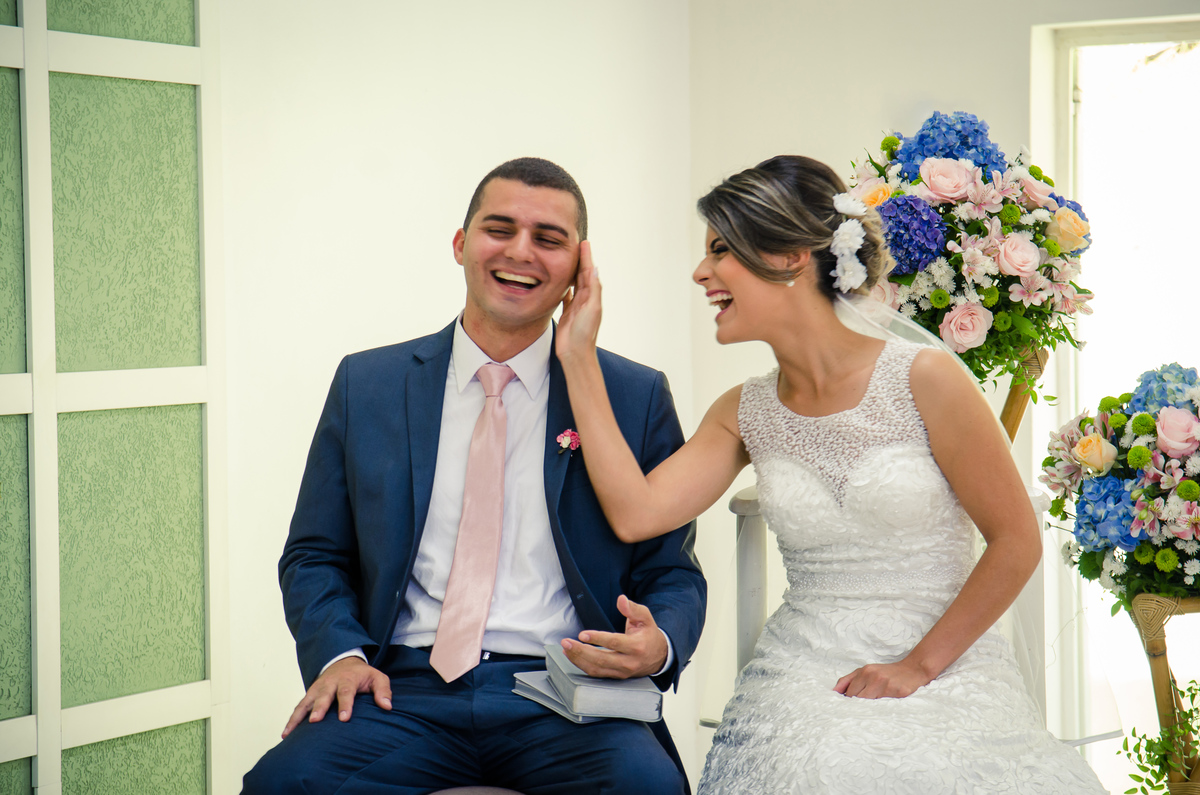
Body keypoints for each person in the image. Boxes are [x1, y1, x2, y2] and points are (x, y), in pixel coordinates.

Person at [554, 155, 1106, 793]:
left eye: (722, 250)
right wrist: (578, 357)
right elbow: (638, 512)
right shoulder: (744, 411)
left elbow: (1016, 540)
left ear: (790, 255)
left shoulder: (925, 378)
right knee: (826, 770)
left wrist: (917, 667)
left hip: (946, 658)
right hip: (803, 674)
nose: (702, 272)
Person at [243, 157, 706, 795]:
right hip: (398, 690)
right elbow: (315, 554)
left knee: (645, 788)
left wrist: (659, 647)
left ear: (579, 267)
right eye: (499, 229)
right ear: (461, 244)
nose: (521, 252)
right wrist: (341, 654)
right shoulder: (367, 384)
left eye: (549, 239)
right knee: (283, 784)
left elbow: (672, 571)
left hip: (566, 696)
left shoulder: (633, 396)